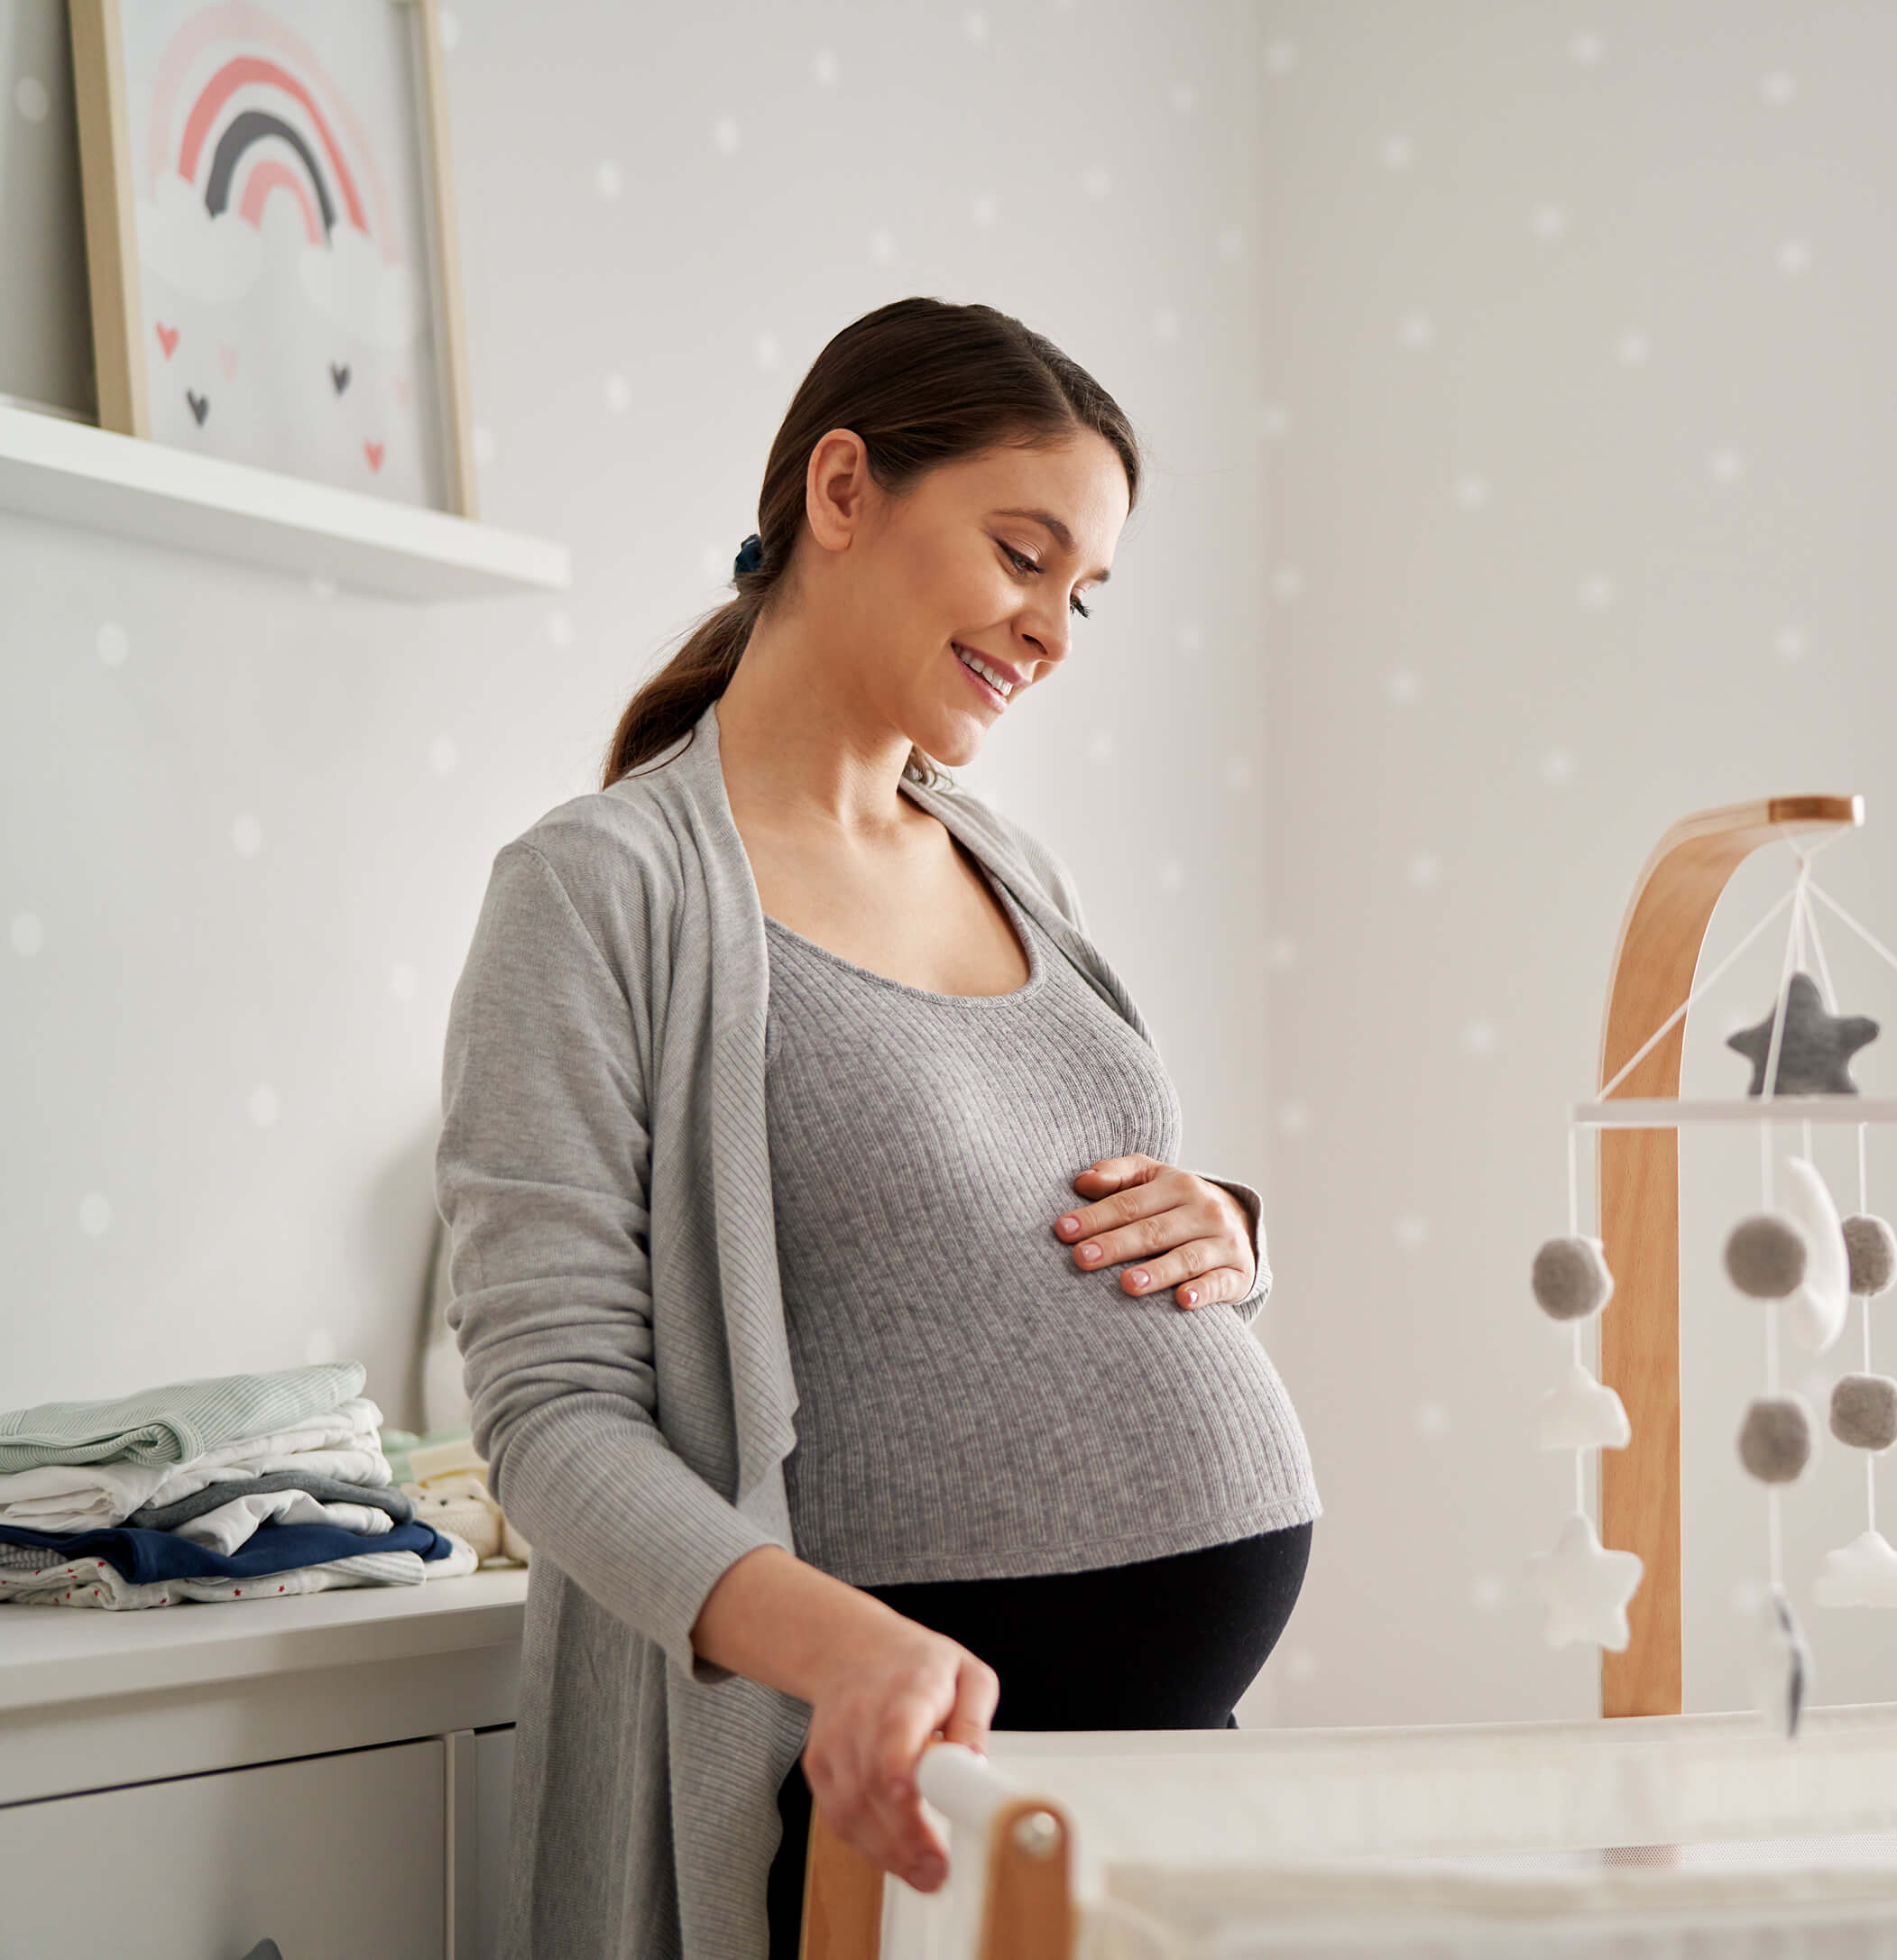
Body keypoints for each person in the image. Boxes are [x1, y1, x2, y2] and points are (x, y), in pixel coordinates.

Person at [436, 297, 1318, 1960]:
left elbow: (1012, 1214)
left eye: (1087, 592)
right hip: (880, 1795)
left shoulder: (1006, 860)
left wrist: (1232, 1233)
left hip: (1143, 1792)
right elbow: (551, 1423)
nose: (1053, 626)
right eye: (1022, 553)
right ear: (843, 489)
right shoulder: (599, 891)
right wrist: (844, 1646)